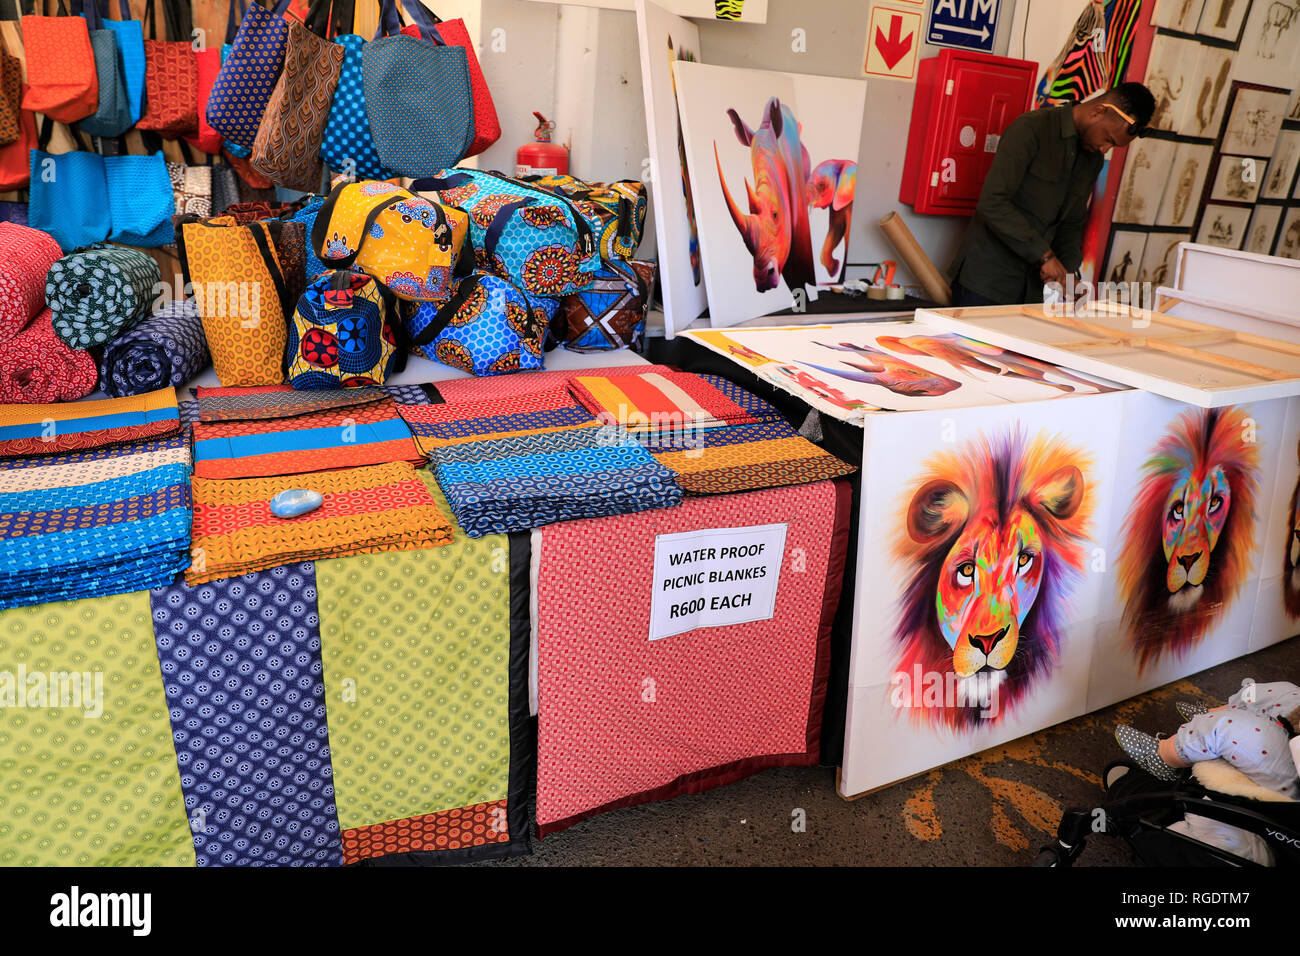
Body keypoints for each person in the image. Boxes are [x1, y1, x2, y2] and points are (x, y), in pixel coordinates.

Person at [948, 83, 1157, 307]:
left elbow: (1072, 223)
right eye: (1107, 139)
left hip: (1034, 294)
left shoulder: (1092, 159)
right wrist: (1045, 256)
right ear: (1098, 111)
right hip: (987, 282)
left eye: (1113, 146)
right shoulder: (1032, 129)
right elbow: (993, 203)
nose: (1104, 149)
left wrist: (1066, 273)